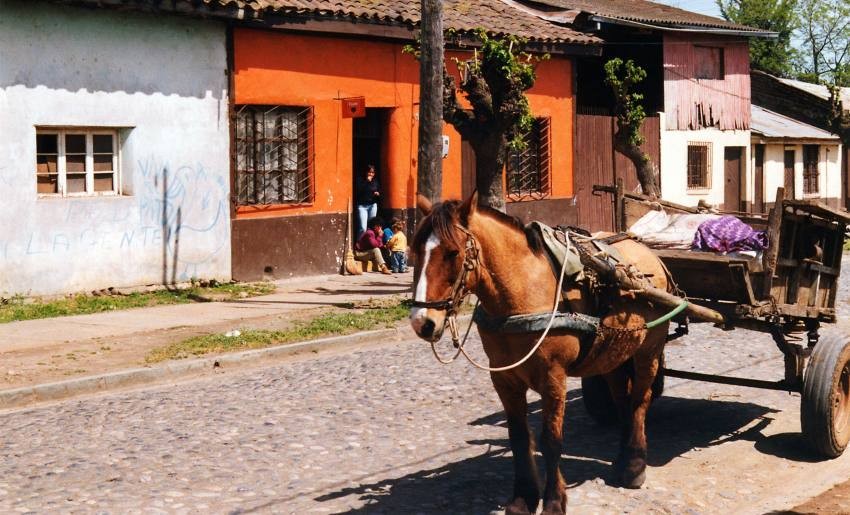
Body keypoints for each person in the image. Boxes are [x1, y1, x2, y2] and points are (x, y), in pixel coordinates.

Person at [354, 164, 381, 236]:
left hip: (372, 205)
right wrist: (367, 181)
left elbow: (379, 190)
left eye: (373, 173)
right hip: (362, 206)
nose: (371, 174)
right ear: (366, 172)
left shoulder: (375, 181)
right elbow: (359, 190)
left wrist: (378, 193)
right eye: (370, 172)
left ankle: (370, 243)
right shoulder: (360, 180)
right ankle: (360, 245)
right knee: (363, 227)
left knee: (372, 226)